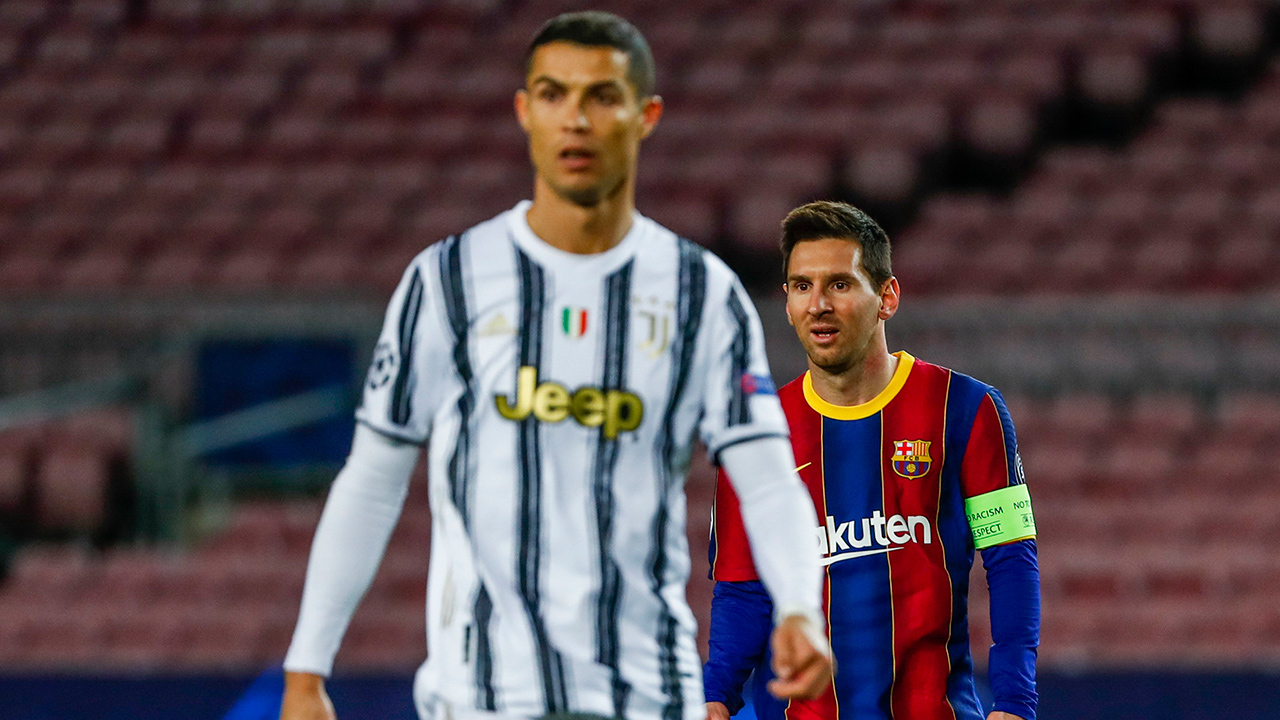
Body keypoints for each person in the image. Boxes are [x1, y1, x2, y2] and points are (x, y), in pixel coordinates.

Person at [279, 13, 832, 720]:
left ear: (646, 115)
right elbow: (373, 478)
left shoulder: (700, 294)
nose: (575, 118)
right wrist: (306, 667)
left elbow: (765, 478)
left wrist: (797, 606)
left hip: (647, 693)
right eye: (553, 94)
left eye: (602, 96)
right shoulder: (449, 281)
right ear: (524, 111)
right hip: (479, 698)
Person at [702, 201, 1040, 720]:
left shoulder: (968, 409)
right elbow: (742, 588)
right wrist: (716, 698)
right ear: (787, 302)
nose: (818, 305)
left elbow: (1011, 560)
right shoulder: (755, 434)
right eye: (801, 286)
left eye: (839, 284)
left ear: (887, 297)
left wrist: (1016, 702)